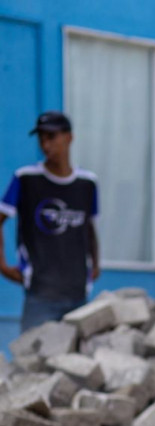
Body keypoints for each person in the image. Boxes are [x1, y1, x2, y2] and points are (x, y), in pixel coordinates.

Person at [0, 111, 100, 331]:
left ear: (69, 138)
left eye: (51, 137)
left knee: (77, 364)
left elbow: (89, 227)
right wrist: (2, 265)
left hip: (77, 293)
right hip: (40, 295)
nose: (46, 145)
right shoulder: (26, 178)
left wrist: (96, 263)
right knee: (31, 362)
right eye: (41, 138)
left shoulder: (87, 183)